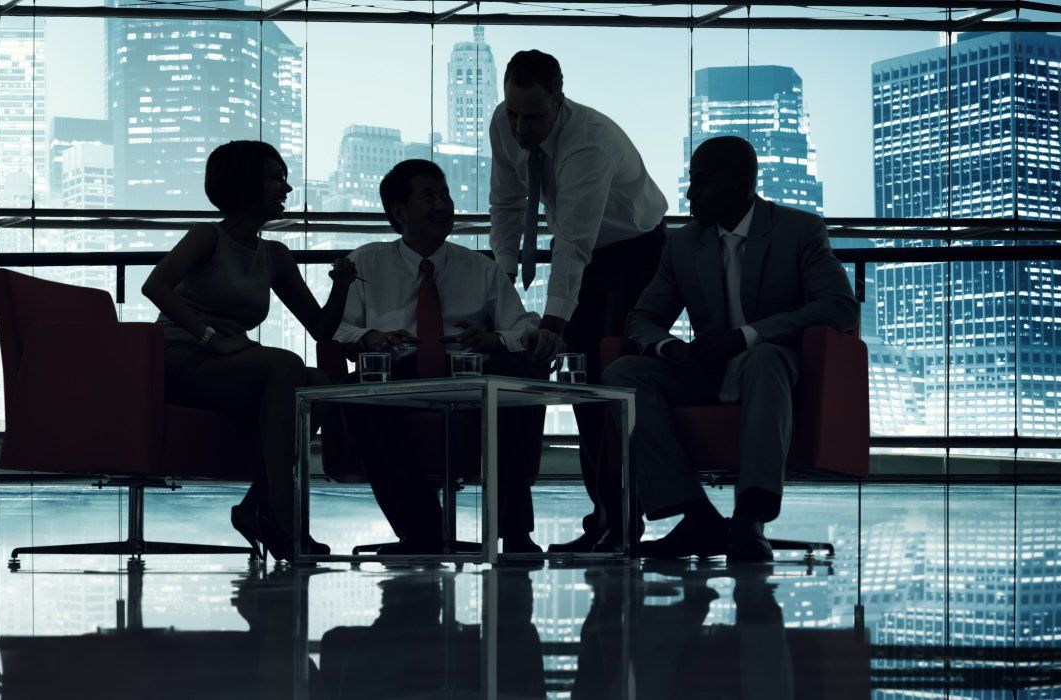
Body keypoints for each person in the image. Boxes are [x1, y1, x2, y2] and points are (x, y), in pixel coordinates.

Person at [605, 136, 858, 561]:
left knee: (763, 357)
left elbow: (839, 307)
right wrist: (671, 349)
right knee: (623, 374)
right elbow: (641, 319)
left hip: (775, 374)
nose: (689, 194)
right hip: (706, 372)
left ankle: (750, 518)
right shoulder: (684, 244)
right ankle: (697, 516)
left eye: (702, 182)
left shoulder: (799, 231)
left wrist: (746, 336)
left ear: (741, 184)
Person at [488, 49, 670, 553]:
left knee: (606, 380)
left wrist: (553, 320)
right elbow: (505, 204)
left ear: (559, 101)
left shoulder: (588, 141)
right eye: (514, 113)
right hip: (590, 255)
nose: (522, 128)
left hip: (636, 252)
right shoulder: (503, 125)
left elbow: (572, 241)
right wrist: (501, 280)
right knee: (582, 379)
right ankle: (608, 515)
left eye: (534, 116)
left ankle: (623, 516)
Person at [142, 140, 356, 562]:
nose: (287, 188)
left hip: (229, 363)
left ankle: (256, 507)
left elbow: (321, 328)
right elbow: (155, 286)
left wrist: (341, 285)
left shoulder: (274, 255)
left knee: (318, 385)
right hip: (180, 358)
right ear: (245, 183)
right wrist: (208, 336)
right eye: (276, 177)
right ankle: (283, 513)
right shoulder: (208, 237)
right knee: (287, 366)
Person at [332, 159, 557, 554]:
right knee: (356, 391)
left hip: (467, 367)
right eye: (429, 196)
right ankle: (423, 532)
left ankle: (515, 534)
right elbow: (337, 328)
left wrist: (494, 339)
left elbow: (523, 326)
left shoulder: (479, 267)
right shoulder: (367, 262)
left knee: (508, 373)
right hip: (399, 370)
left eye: (446, 194)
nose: (443, 204)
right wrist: (371, 336)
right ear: (400, 213)